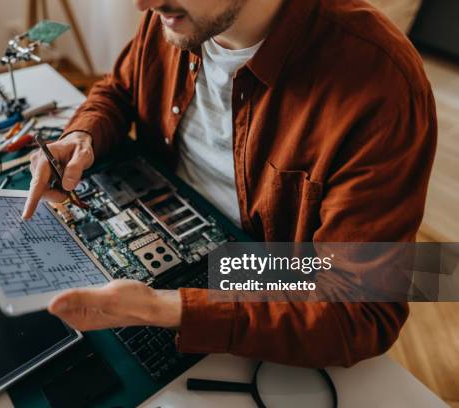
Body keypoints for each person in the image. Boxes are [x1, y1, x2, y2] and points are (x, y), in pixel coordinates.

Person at [22, 0, 436, 367]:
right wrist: (83, 136)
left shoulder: (382, 83)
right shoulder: (174, 16)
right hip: (163, 223)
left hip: (276, 276)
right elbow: (118, 90)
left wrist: (166, 308)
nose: (143, 3)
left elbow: (361, 311)